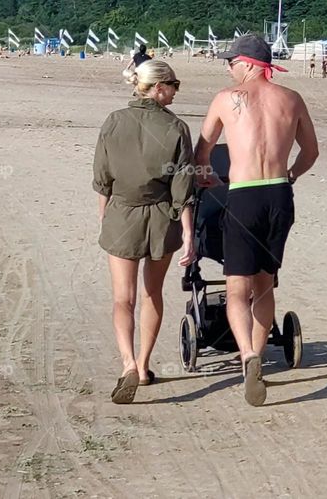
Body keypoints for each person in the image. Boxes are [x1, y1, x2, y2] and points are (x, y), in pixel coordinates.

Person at [193, 35, 319, 407]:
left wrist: (209, 178)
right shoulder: (291, 99)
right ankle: (259, 358)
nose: (228, 69)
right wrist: (292, 174)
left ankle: (247, 354)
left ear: (247, 63)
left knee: (236, 288)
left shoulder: (225, 99)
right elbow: (311, 152)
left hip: (244, 194)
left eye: (230, 62)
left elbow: (203, 151)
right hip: (279, 194)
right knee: (264, 285)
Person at [93, 60, 196, 404]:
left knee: (123, 298)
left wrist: (104, 217)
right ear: (158, 87)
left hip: (121, 213)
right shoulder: (177, 128)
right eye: (174, 85)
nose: (177, 91)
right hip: (161, 217)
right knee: (152, 294)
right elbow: (184, 189)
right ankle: (144, 363)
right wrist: (189, 235)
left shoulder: (113, 121)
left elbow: (103, 179)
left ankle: (127, 364)